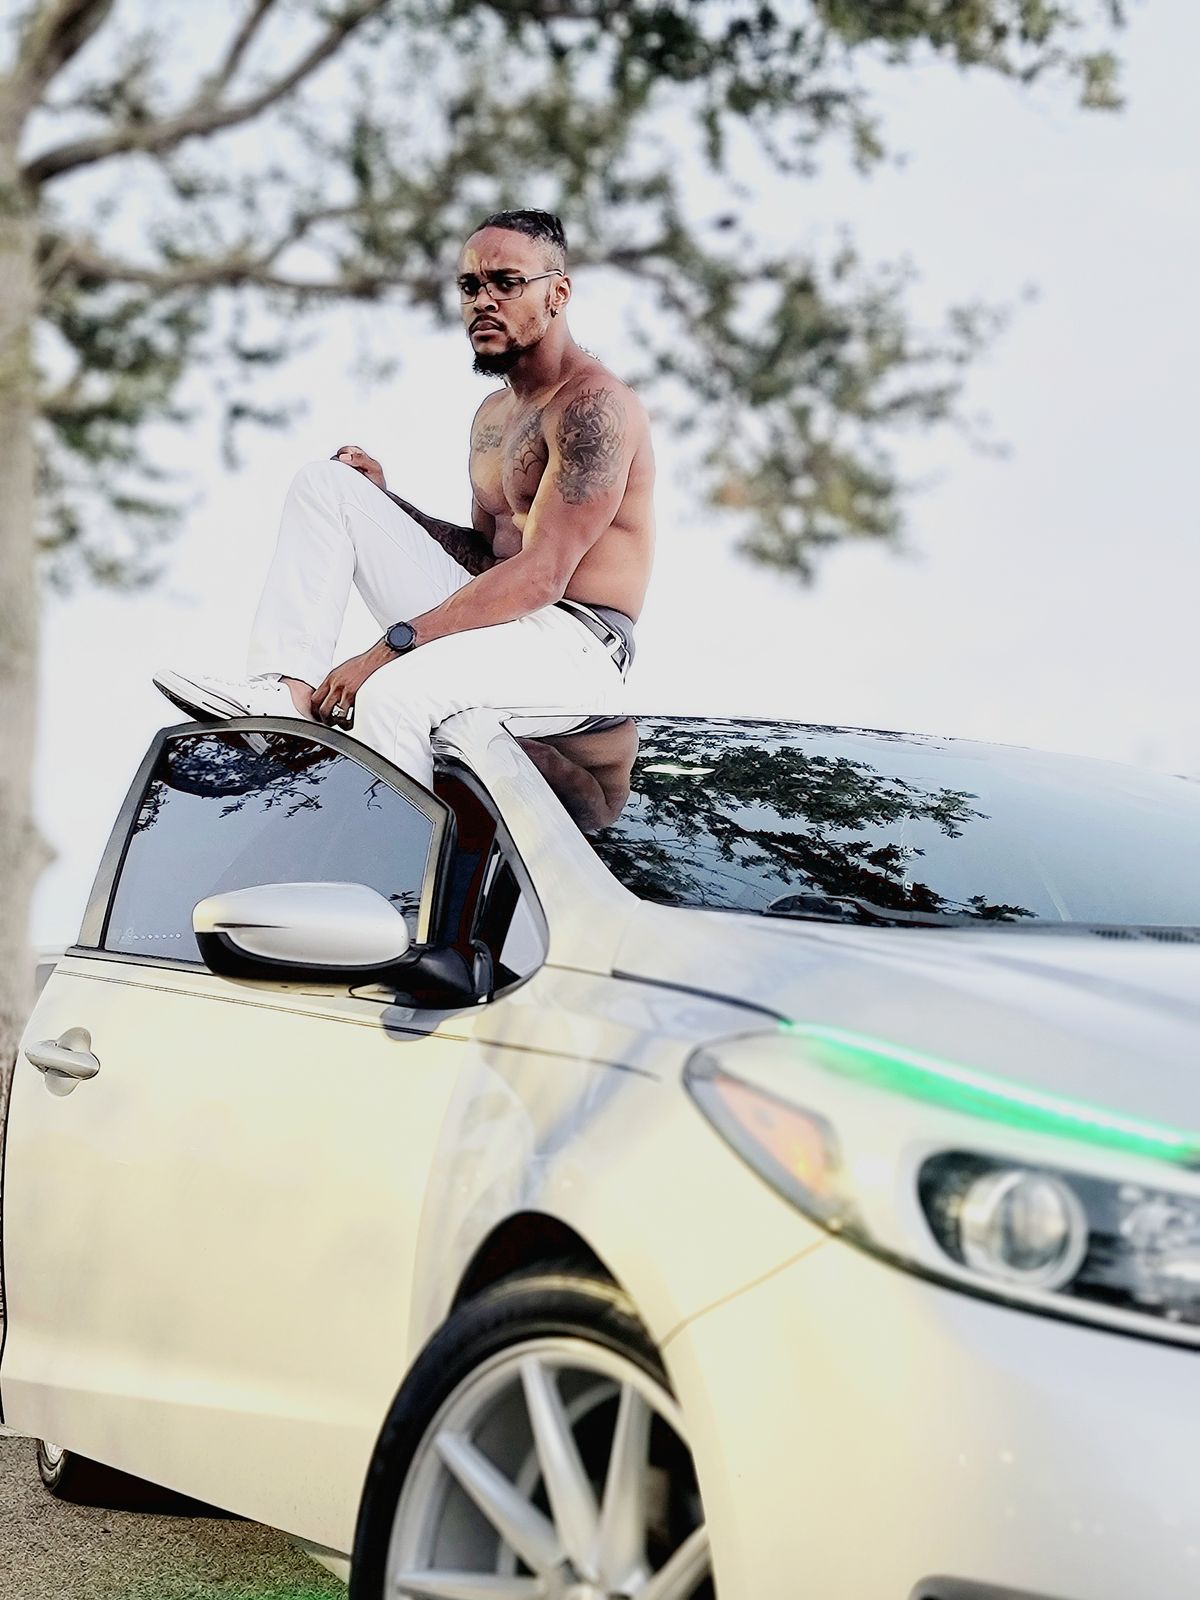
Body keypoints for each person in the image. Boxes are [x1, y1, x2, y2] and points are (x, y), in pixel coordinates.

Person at [154, 208, 655, 789]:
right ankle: (284, 696)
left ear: (557, 293)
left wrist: (389, 650)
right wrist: (389, 507)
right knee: (330, 487)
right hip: (503, 615)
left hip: (576, 644)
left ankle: (391, 852)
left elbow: (543, 574)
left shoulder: (594, 406)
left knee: (388, 696)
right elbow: (486, 559)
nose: (483, 301)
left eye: (506, 283)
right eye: (470, 286)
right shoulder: (494, 416)